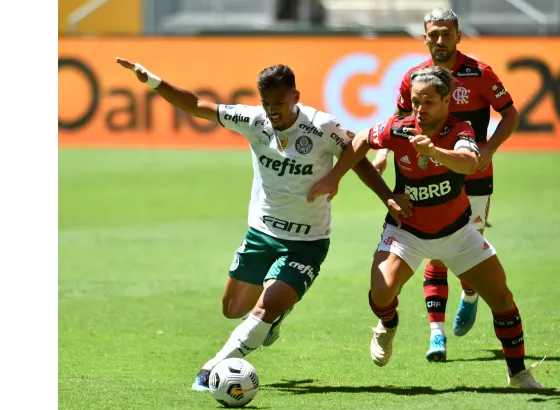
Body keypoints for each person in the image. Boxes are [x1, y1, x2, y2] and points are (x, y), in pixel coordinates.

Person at [114, 58, 411, 391]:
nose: (273, 111)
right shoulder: (253, 120)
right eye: (267, 104)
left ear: (295, 96)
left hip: (307, 241)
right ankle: (273, 318)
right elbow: (196, 104)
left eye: (280, 104)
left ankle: (213, 367)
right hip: (261, 233)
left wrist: (382, 194)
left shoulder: (323, 126)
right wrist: (152, 81)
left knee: (264, 306)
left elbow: (357, 156)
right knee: (232, 309)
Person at [308, 66, 542, 388]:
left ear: (447, 101)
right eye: (416, 101)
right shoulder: (399, 129)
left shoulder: (461, 130)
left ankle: (518, 373)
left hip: (458, 234)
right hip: (407, 232)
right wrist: (341, 180)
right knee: (381, 290)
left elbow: (469, 162)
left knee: (502, 298)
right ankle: (388, 324)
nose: (420, 108)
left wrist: (433, 151)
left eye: (429, 101)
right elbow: (361, 140)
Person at [372, 7, 520, 361]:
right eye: (433, 34)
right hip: (426, 177)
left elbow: (510, 113)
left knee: (465, 251)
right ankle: (436, 334)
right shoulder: (414, 78)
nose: (440, 40)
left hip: (474, 175)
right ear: (424, 37)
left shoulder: (480, 73)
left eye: (446, 33)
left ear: (458, 35)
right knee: (434, 251)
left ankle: (470, 294)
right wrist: (382, 156)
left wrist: (488, 148)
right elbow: (399, 123)